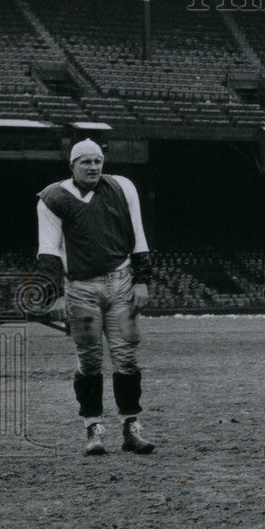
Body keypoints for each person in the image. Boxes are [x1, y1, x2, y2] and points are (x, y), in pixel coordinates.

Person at [36, 138, 156, 456]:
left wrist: (142, 280)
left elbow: (138, 234)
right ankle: (94, 428)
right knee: (89, 360)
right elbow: (48, 248)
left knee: (126, 356)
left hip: (122, 282)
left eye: (98, 160)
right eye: (85, 161)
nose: (93, 166)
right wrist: (55, 293)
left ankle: (132, 427)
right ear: (72, 165)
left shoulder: (122, 187)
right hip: (80, 288)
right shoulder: (52, 198)